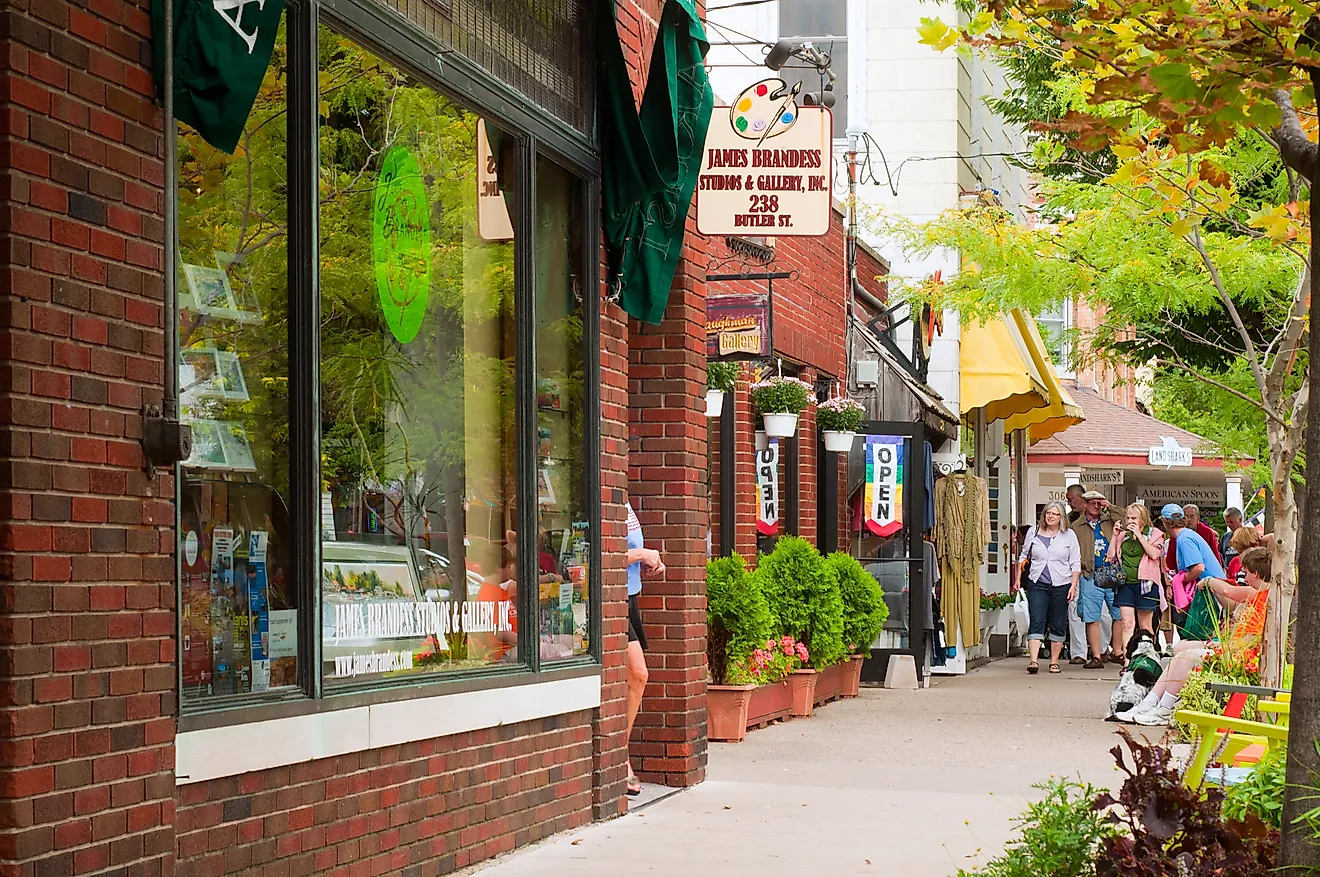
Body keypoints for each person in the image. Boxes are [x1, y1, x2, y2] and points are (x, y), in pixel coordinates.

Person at [1117, 546, 1271, 726]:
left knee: (1186, 656)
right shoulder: (1258, 594)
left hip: (1241, 655)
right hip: (1235, 648)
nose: (1244, 577)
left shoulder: (1258, 594)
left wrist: (1209, 581)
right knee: (1180, 651)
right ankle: (1150, 702)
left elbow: (1232, 600)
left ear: (1255, 573)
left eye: (1246, 573)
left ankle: (1165, 708)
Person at [624, 500, 663, 796]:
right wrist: (641, 554)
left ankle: (618, 752)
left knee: (634, 679)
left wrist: (648, 562)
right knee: (639, 673)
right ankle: (619, 756)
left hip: (630, 598)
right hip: (609, 600)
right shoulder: (607, 494)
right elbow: (598, 553)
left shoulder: (625, 502)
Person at [1018, 501, 1081, 674]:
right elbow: (1023, 556)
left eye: (1055, 514)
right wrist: (1018, 579)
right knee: (1037, 619)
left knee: (1058, 622)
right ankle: (1033, 661)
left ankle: (1054, 662)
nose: (1050, 516)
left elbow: (1075, 563)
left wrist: (1073, 586)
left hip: (1062, 583)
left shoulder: (1069, 535)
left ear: (1061, 517)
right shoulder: (1033, 532)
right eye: (1048, 513)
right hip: (1037, 582)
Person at [1071, 490, 1123, 668]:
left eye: (1099, 503)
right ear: (1085, 504)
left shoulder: (1110, 521)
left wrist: (1109, 506)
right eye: (1092, 502)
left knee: (1119, 613)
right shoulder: (1076, 526)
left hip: (1111, 571)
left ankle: (1117, 651)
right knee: (1091, 616)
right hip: (1090, 573)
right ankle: (1096, 656)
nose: (1096, 506)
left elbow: (1125, 518)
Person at [1105, 503, 1165, 656]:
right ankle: (1128, 660)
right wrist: (1114, 536)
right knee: (1127, 624)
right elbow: (1110, 557)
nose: (1130, 521)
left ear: (1143, 519)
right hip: (1125, 584)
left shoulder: (1155, 534)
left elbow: (1154, 554)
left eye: (1134, 518)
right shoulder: (1123, 535)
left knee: (1145, 626)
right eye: (1128, 518)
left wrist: (1139, 535)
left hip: (1146, 584)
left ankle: (1147, 657)